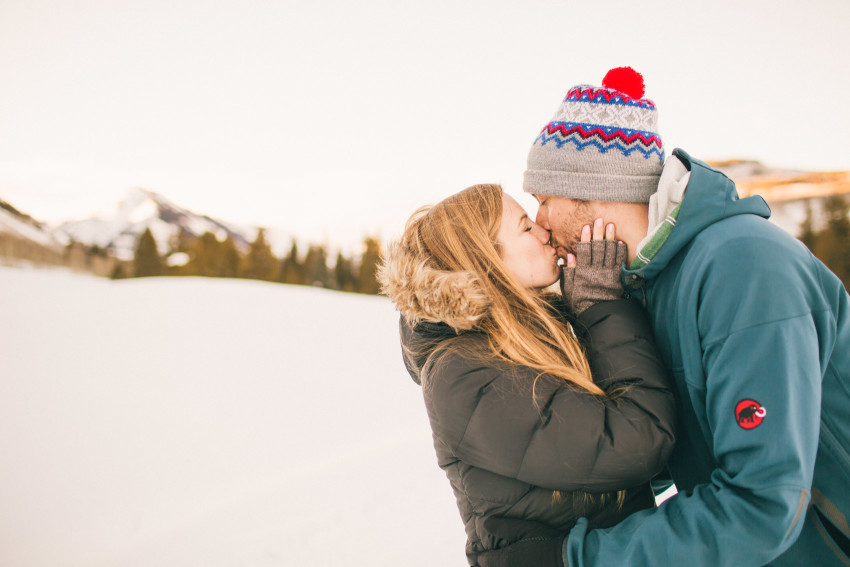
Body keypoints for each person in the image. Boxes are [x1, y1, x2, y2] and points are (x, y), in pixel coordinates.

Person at [479, 67, 850, 566]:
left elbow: (763, 501)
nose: (541, 223)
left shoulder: (741, 266)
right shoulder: (653, 284)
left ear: (593, 187)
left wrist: (579, 559)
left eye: (544, 200)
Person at [378, 183, 676, 566]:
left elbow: (641, 469)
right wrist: (601, 307)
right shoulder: (464, 375)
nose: (543, 231)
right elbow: (640, 440)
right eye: (524, 228)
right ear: (486, 262)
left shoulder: (527, 337)